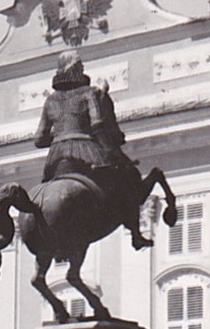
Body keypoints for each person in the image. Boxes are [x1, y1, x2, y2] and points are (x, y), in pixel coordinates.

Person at [34, 52, 151, 250]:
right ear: (76, 70)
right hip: (85, 149)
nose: (82, 68)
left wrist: (59, 135)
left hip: (54, 160)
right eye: (80, 65)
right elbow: (98, 124)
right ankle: (136, 234)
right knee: (126, 179)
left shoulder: (50, 100)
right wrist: (111, 151)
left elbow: (39, 139)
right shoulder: (90, 93)